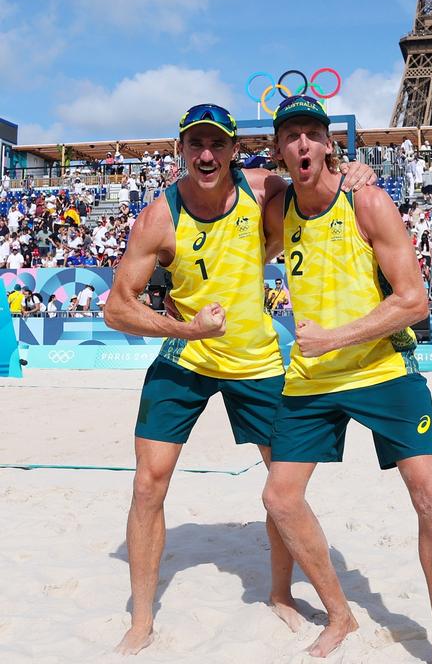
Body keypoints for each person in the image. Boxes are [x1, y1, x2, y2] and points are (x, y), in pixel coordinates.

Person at [104, 102, 374, 656]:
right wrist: (185, 329)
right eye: (195, 144)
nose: (206, 155)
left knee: (283, 493)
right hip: (187, 358)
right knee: (148, 484)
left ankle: (288, 596)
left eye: (217, 145)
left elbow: (321, 182)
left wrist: (354, 170)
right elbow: (116, 309)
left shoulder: (262, 189)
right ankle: (141, 619)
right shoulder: (159, 216)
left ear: (233, 150)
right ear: (181, 149)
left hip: (255, 359)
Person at [262, 95, 432, 663]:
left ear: (328, 143)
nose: (301, 144)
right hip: (314, 376)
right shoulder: (279, 209)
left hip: (381, 367)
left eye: (311, 134)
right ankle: (341, 614)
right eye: (289, 135)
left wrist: (335, 337)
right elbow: (229, 182)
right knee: (279, 496)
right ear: (278, 148)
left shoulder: (367, 201)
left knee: (430, 495)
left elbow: (415, 300)